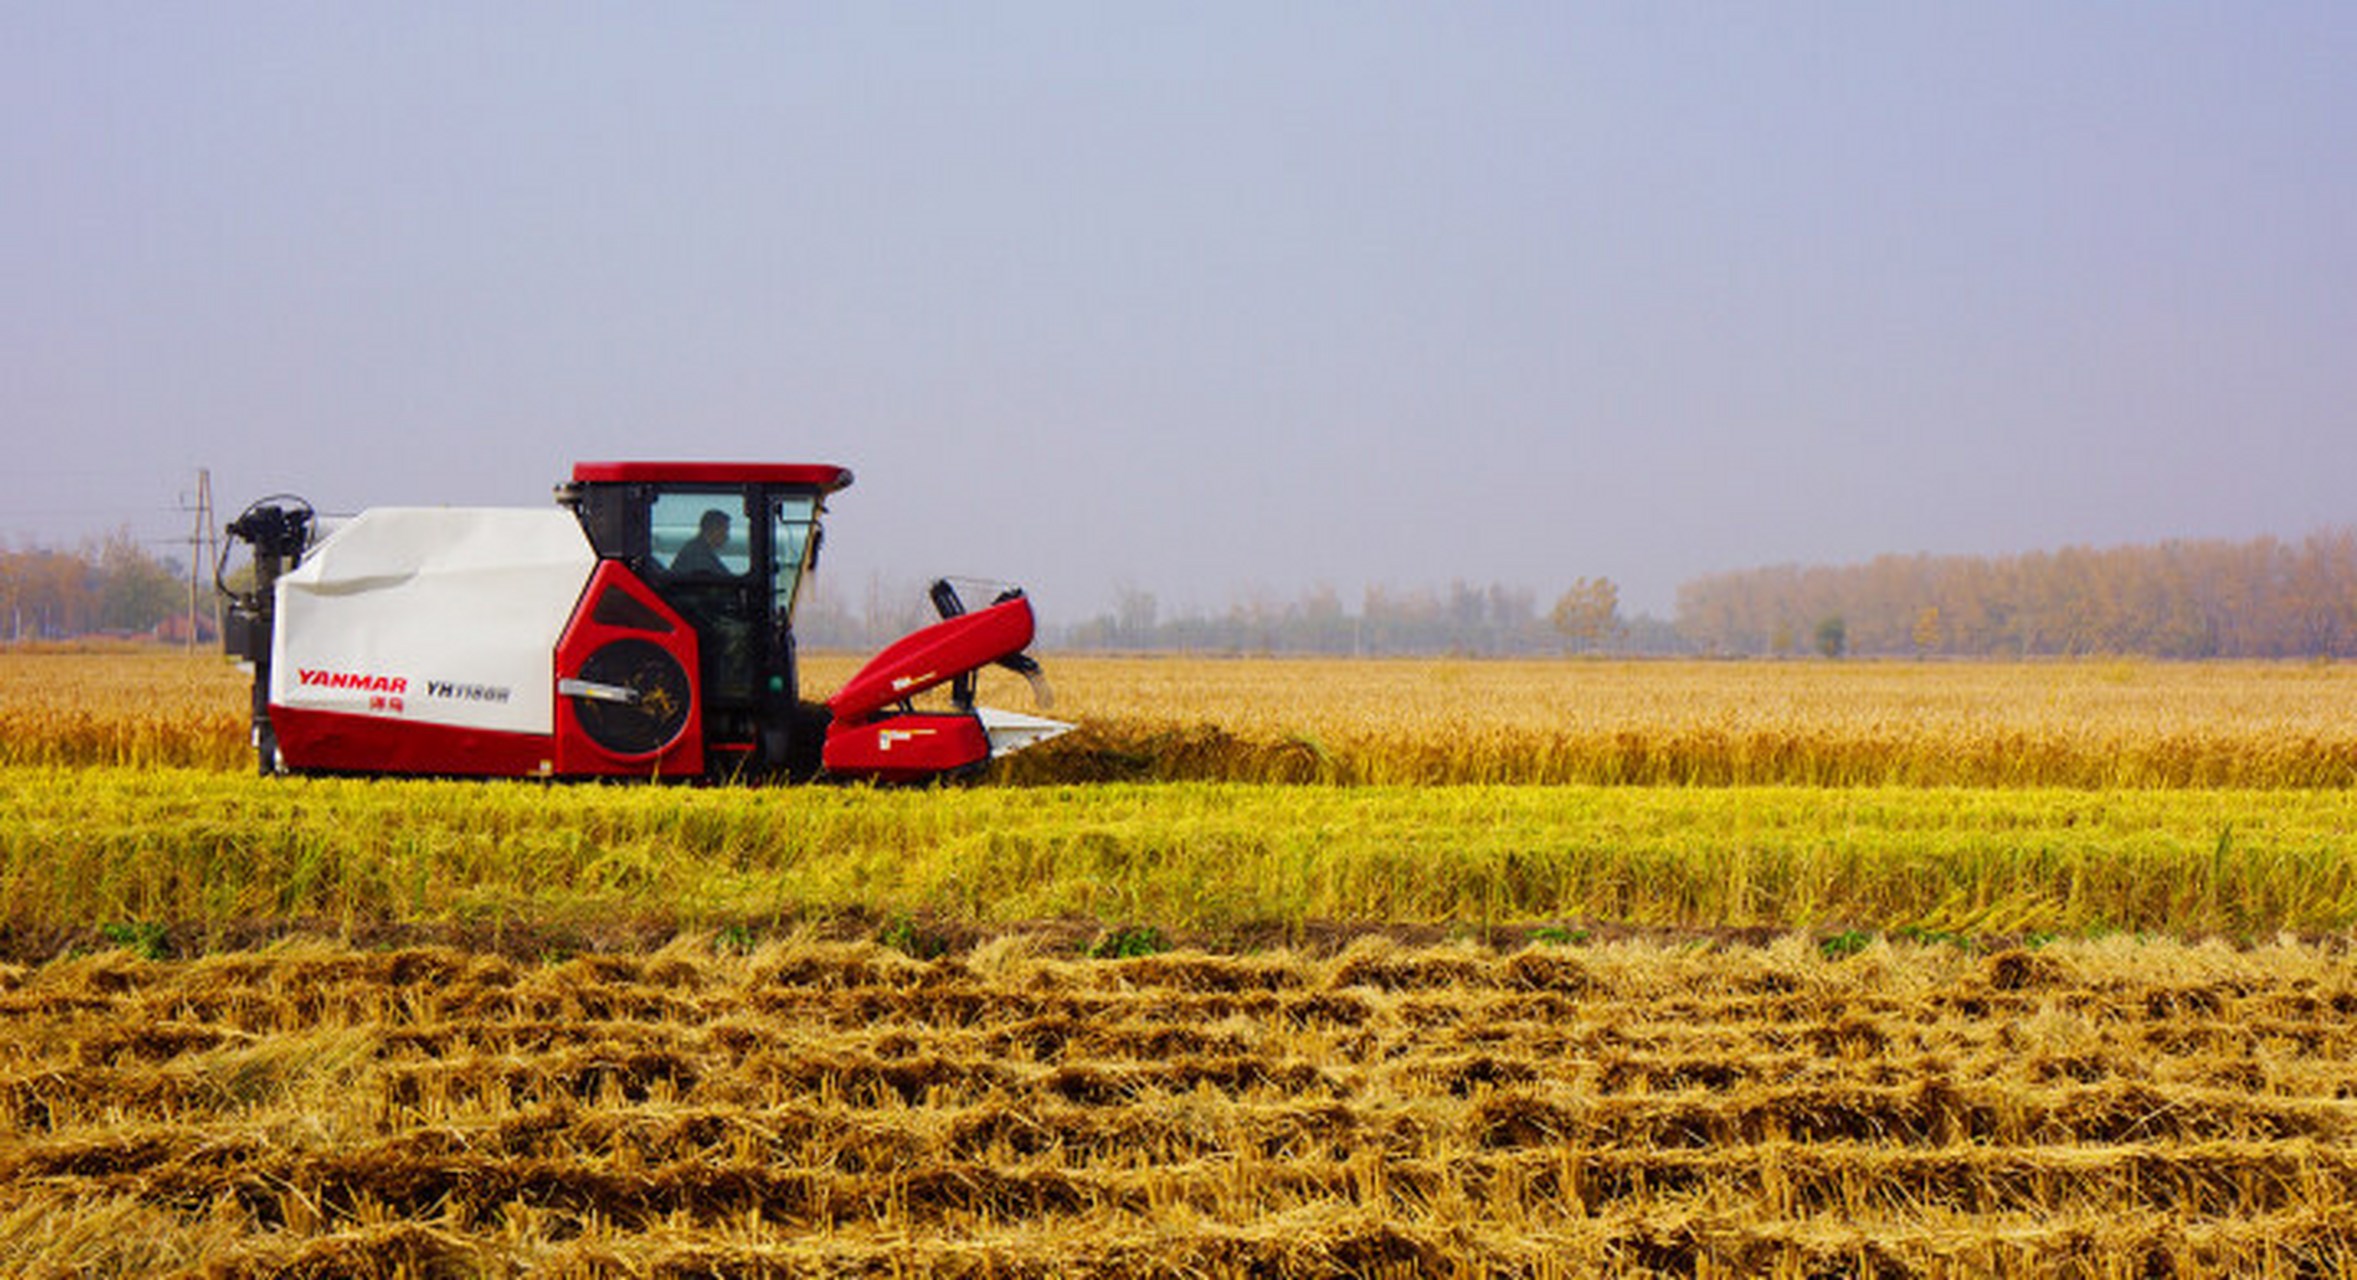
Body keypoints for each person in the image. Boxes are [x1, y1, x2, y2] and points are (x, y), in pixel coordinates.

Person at [670, 509, 733, 577]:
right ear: (713, 530)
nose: (727, 537)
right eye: (724, 532)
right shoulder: (697, 556)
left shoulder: (697, 549)